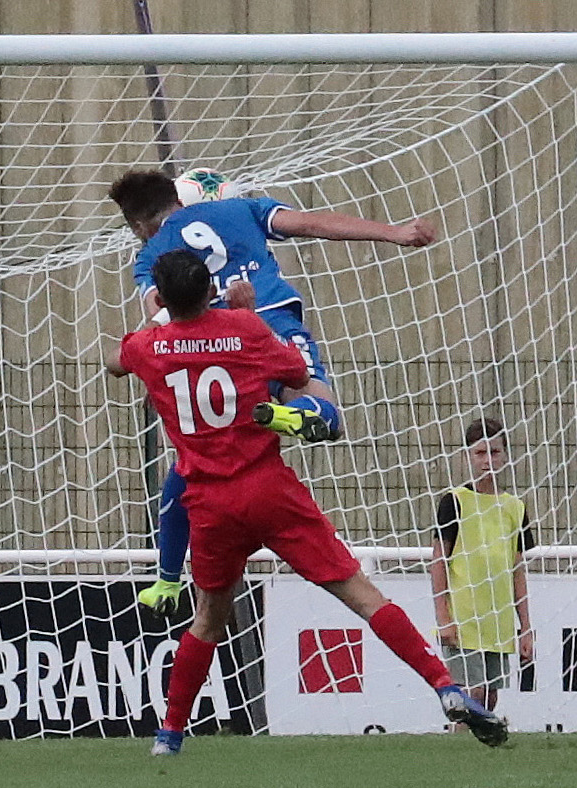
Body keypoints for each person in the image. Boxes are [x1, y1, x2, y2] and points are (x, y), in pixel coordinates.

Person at [106, 249, 507, 754]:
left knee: (208, 617)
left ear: (162, 299)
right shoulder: (244, 328)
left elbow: (114, 362)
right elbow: (296, 371)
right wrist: (247, 314)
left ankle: (169, 737)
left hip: (209, 501)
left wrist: (161, 322)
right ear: (211, 289)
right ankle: (445, 686)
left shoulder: (148, 346)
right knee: (363, 594)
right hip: (269, 488)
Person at [107, 168, 437, 620]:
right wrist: (395, 232)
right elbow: (313, 223)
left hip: (217, 351)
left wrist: (155, 372)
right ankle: (294, 413)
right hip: (274, 322)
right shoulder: (243, 208)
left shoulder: (150, 256)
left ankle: (166, 578)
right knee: (324, 410)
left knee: (189, 463)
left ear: (138, 225)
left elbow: (161, 317)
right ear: (179, 200)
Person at [430, 418, 534, 725]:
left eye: (494, 452)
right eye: (480, 453)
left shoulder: (515, 507)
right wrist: (444, 617)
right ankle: (460, 745)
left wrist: (525, 626)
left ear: (505, 455)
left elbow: (517, 570)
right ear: (468, 457)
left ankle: (474, 748)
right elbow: (439, 561)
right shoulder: (455, 502)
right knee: (469, 697)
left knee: (489, 696)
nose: (488, 460)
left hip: (497, 621)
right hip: (464, 618)